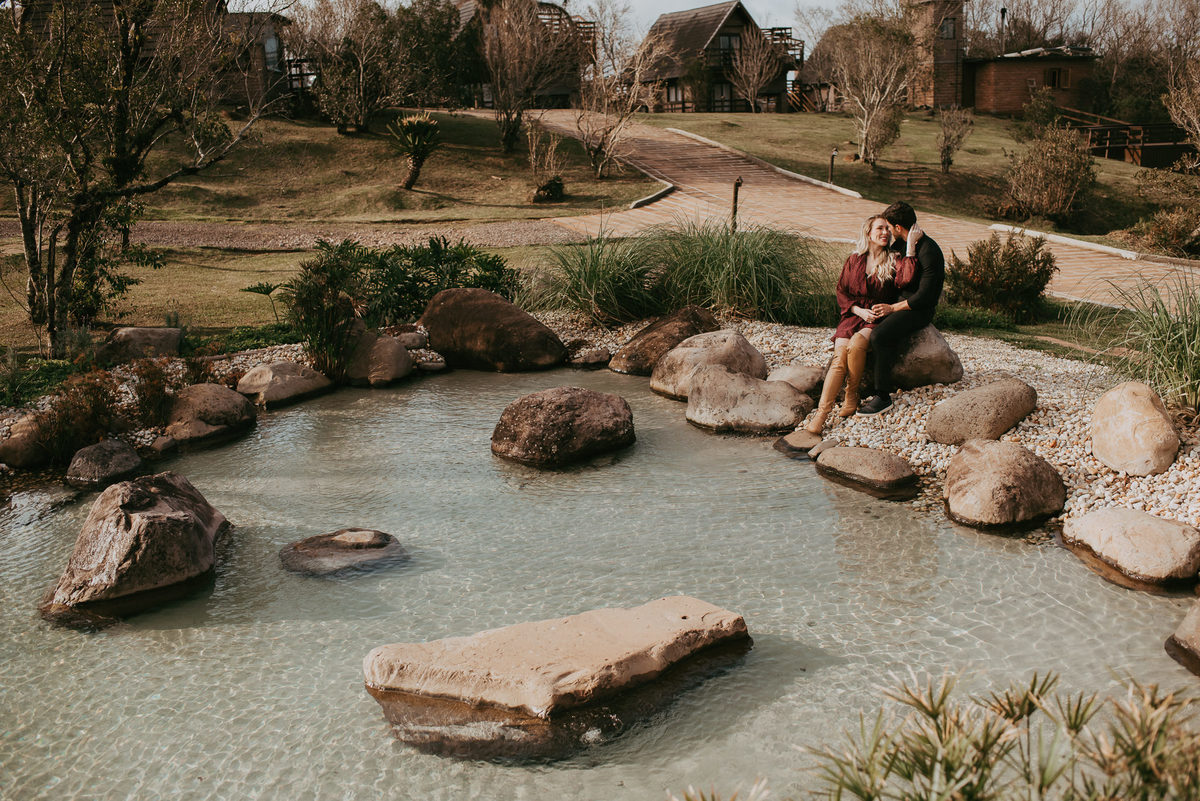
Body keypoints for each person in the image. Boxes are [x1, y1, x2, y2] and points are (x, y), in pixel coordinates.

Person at [805, 214, 910, 434]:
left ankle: (851, 394)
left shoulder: (894, 259)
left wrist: (910, 252)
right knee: (838, 359)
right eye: (880, 228)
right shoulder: (854, 259)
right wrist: (857, 310)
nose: (885, 233)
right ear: (868, 232)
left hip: (877, 316)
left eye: (887, 229)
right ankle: (821, 415)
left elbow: (906, 280)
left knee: (856, 346)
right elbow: (841, 290)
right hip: (853, 314)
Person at [858, 201, 943, 416]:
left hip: (917, 309)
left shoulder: (929, 250)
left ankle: (883, 396)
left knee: (880, 336)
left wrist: (892, 309)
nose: (886, 231)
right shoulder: (900, 246)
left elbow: (925, 296)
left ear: (898, 227)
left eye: (888, 227)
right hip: (896, 303)